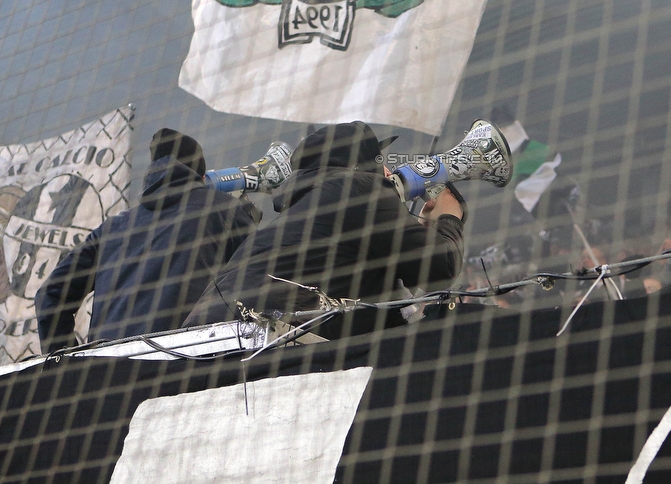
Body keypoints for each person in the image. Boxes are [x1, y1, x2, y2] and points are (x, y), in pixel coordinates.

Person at [183, 121, 465, 339]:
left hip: (206, 339)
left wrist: (423, 229)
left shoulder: (306, 213)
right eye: (381, 162)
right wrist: (450, 215)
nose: (389, 172)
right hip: (260, 333)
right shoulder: (356, 189)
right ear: (361, 167)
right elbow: (440, 267)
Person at [35, 129, 257, 352]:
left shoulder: (110, 229)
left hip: (103, 370)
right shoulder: (221, 209)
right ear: (200, 177)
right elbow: (260, 272)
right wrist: (245, 216)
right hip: (180, 364)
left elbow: (49, 296)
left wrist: (68, 367)